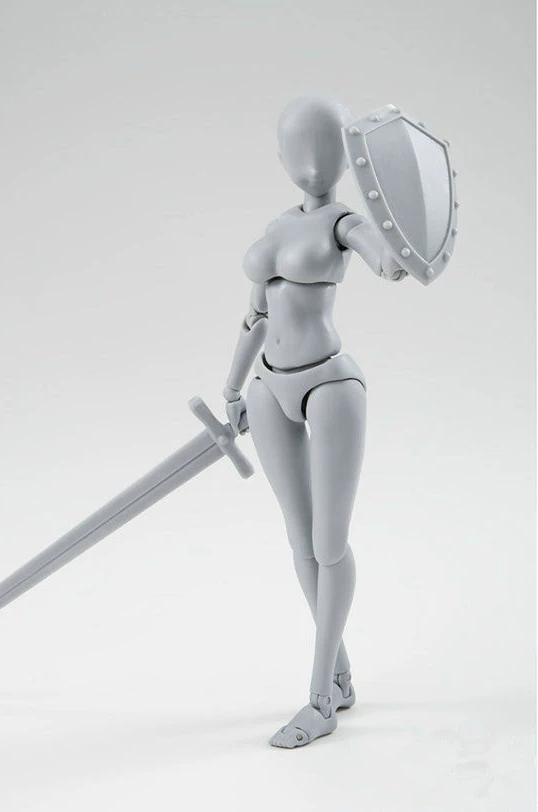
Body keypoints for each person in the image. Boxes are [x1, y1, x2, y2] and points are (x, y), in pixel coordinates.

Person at [223, 96, 406, 748]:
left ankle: (320, 698)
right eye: (298, 147)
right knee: (301, 542)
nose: (311, 160)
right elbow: (256, 315)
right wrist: (232, 386)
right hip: (268, 388)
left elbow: (383, 258)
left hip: (329, 384)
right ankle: (341, 675)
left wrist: (397, 253)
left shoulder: (344, 221)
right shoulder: (276, 225)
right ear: (281, 157)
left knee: (330, 545)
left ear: (345, 156)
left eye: (325, 145)